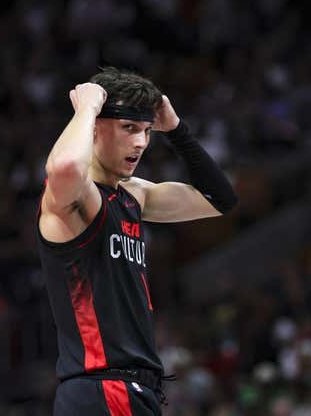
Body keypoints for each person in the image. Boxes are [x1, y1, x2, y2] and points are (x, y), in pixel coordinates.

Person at [36, 67, 237, 416]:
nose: (142, 142)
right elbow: (65, 167)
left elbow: (221, 199)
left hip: (132, 390)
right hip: (102, 388)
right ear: (95, 129)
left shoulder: (134, 196)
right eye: (129, 129)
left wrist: (176, 130)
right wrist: (87, 106)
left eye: (146, 131)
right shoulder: (77, 199)